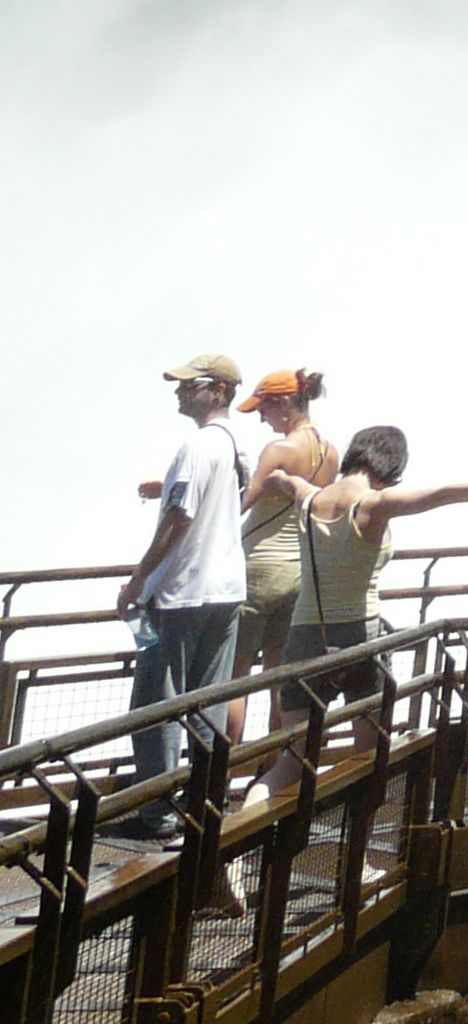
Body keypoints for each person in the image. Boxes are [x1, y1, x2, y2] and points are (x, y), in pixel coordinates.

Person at [257, 427, 468, 793]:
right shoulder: (373, 505)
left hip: (304, 638)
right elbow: (439, 495)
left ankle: (233, 840)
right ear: (391, 465)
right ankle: (356, 840)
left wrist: (274, 476)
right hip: (359, 640)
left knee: (293, 761)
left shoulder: (308, 498)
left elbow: (283, 480)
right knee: (368, 755)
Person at [115, 354, 250, 841]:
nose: (179, 392)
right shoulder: (236, 444)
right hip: (226, 590)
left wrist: (137, 581)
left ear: (216, 390)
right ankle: (205, 803)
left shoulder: (197, 445)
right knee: (208, 704)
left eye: (189, 385)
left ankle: (159, 815)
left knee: (158, 707)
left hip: (180, 593)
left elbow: (180, 518)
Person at [229, 370, 336, 740]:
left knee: (234, 678)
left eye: (264, 407)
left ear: (285, 403)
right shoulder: (330, 452)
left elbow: (241, 504)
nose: (261, 417)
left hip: (258, 569)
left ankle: (218, 776)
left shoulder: (278, 451)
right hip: (297, 573)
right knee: (278, 675)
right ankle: (274, 762)